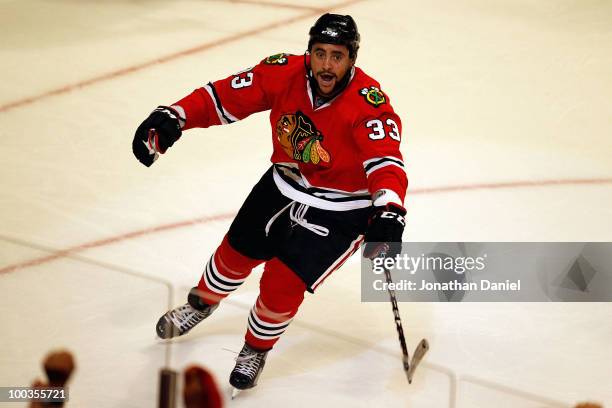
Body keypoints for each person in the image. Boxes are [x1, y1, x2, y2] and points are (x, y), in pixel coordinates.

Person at [132, 13, 407, 394]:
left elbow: (386, 161)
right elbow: (224, 96)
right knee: (233, 255)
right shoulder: (282, 73)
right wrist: (174, 116)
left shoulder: (368, 103)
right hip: (284, 183)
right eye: (320, 53)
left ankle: (254, 349)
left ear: (351, 60)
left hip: (344, 207)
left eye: (337, 56)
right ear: (308, 53)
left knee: (281, 283)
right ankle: (201, 304)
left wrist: (389, 210)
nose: (327, 65)